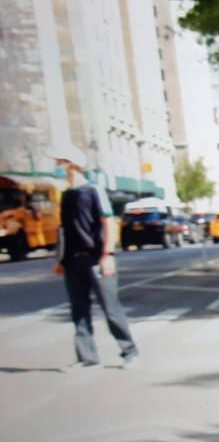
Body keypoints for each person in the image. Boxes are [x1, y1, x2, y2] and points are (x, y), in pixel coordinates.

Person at [49, 144, 139, 370]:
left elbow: (108, 222)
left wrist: (107, 254)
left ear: (71, 165)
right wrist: (61, 260)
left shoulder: (93, 191)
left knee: (111, 308)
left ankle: (129, 352)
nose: (56, 167)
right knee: (79, 311)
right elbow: (65, 230)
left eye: (59, 162)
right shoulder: (67, 196)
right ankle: (86, 357)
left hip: (96, 258)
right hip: (73, 261)